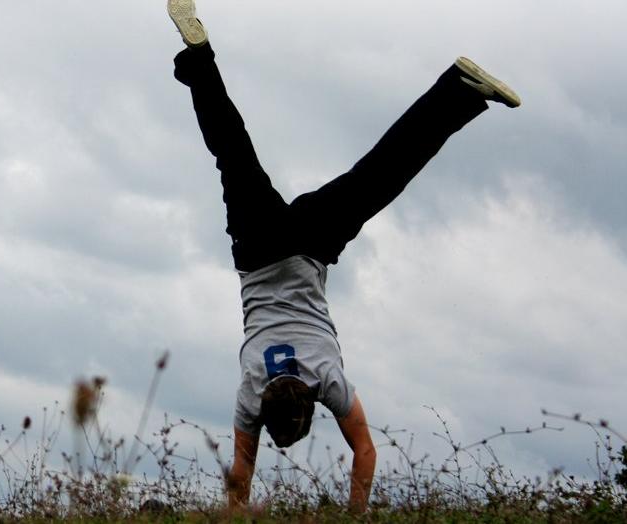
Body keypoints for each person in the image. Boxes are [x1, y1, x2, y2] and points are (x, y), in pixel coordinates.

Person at [165, 0, 520, 512]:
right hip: (259, 246)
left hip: (311, 244)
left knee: (380, 175)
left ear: (312, 407)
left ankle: (460, 91)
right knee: (231, 150)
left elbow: (365, 451)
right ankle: (199, 60)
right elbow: (239, 480)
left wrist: (357, 516)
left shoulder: (327, 380)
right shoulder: (249, 393)